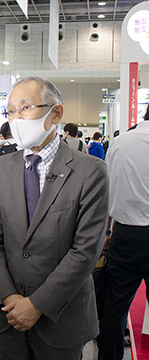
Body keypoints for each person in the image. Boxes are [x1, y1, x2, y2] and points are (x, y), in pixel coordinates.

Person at [0, 76, 108, 360]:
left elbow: (86, 249)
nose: (16, 119)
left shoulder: (90, 171)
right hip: (7, 317)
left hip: (61, 320)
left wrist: (36, 305)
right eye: (10, 111)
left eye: (25, 108)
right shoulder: (3, 168)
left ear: (56, 113)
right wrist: (9, 297)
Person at [97, 117, 149, 360]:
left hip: (125, 234)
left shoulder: (120, 142)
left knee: (114, 307)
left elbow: (108, 191)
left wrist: (106, 232)